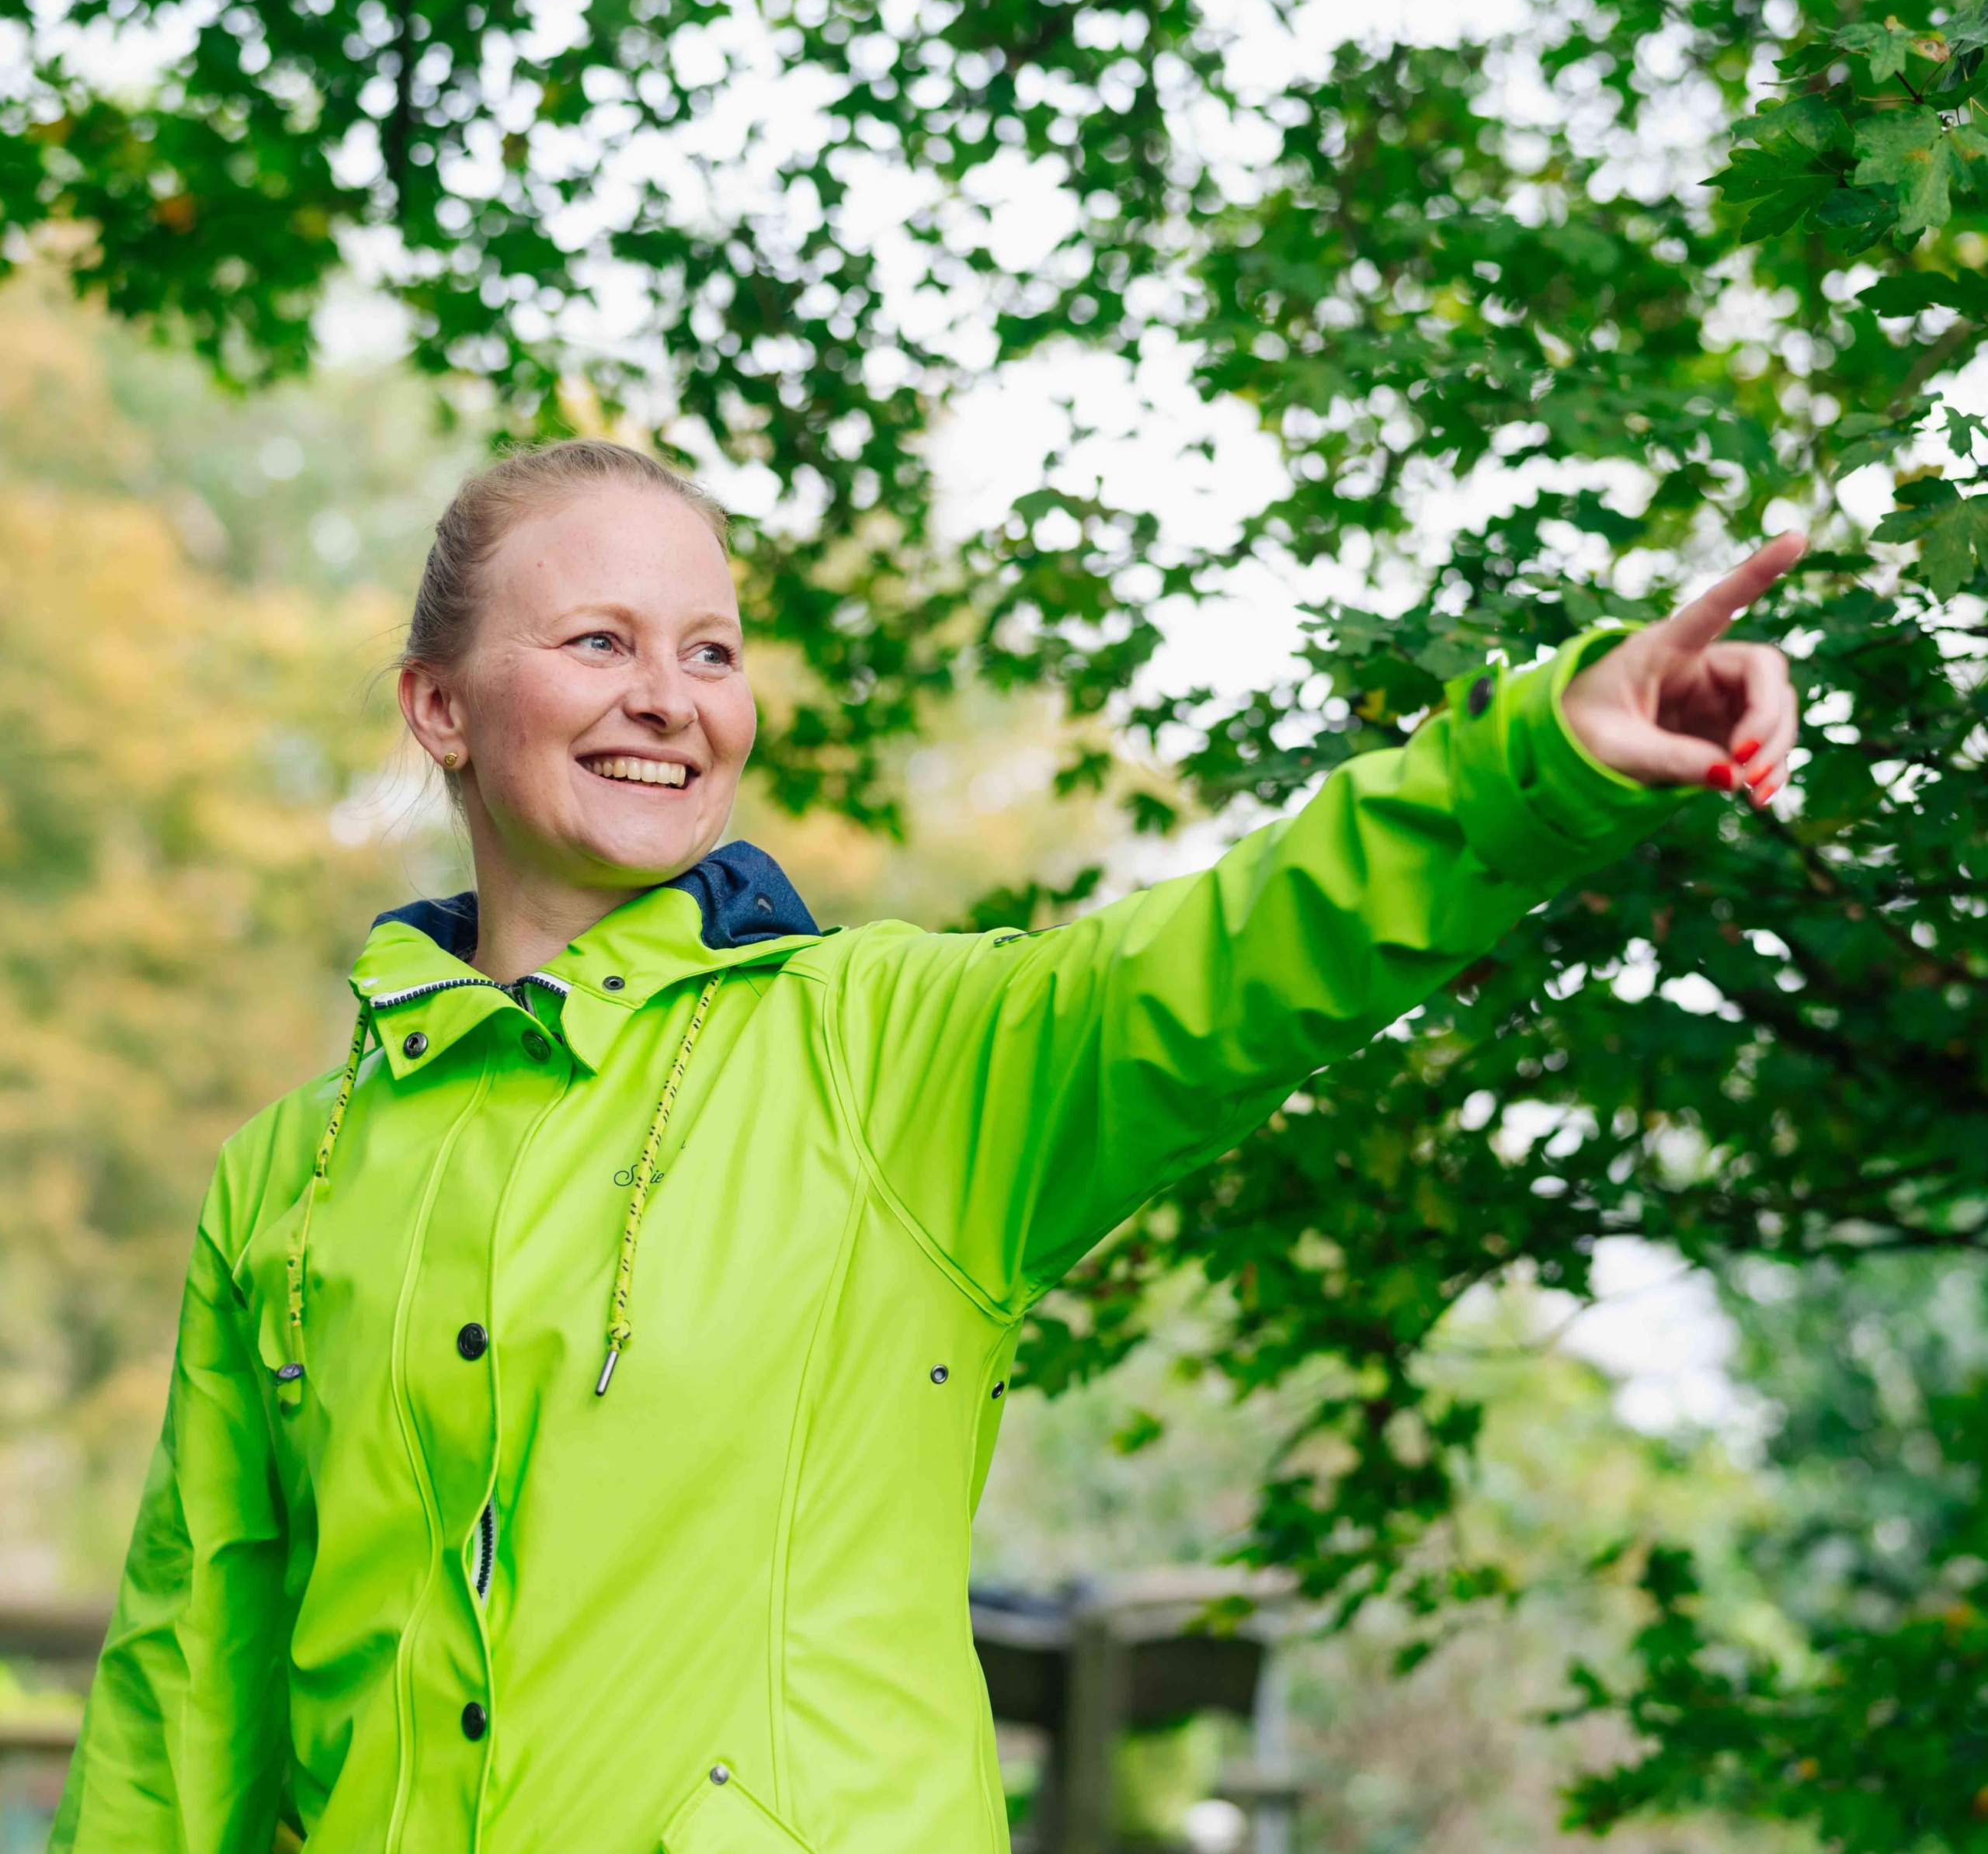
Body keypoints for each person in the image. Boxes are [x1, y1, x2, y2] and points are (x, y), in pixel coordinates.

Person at [52, 439, 1802, 1854]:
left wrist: (1529, 765)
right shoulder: (289, 1171)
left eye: (710, 650)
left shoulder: (888, 1057)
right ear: (440, 707)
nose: (667, 695)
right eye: (598, 641)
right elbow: (189, 1672)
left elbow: (1227, 960)